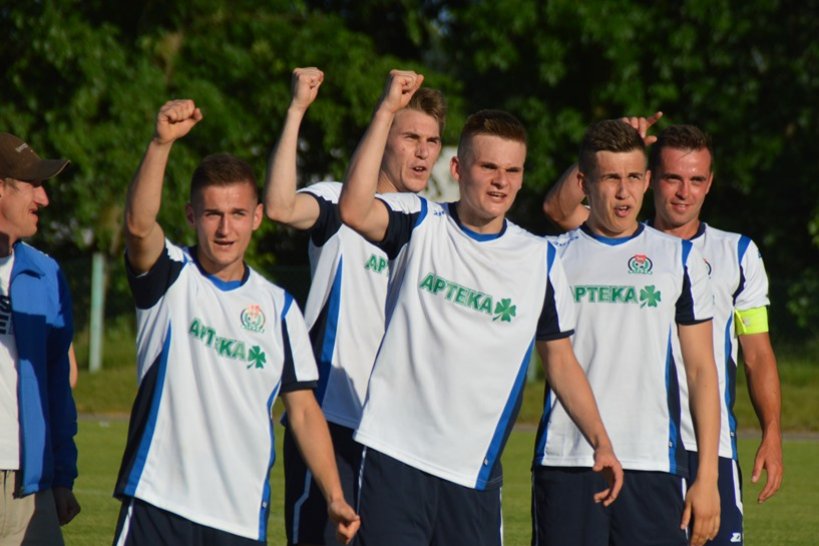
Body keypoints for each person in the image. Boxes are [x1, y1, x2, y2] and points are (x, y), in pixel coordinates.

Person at [339, 70, 623, 546]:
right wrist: (386, 110)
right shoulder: (419, 224)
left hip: (473, 472)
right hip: (394, 456)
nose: (500, 182)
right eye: (488, 167)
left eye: (512, 171)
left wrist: (602, 441)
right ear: (457, 168)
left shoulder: (540, 259)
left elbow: (559, 360)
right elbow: (352, 209)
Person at [112, 100, 359, 545]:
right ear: (192, 216)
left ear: (257, 217)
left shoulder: (279, 308)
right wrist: (160, 144)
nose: (225, 229)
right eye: (212, 214)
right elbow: (137, 226)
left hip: (239, 518)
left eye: (238, 214)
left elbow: (303, 410)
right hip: (158, 502)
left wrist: (335, 495)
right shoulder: (169, 277)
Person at [544, 119, 783, 545]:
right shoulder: (605, 236)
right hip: (629, 443)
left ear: (710, 184)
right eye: (673, 178)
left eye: (696, 180)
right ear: (654, 180)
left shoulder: (737, 253)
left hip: (704, 443)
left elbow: (755, 354)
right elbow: (560, 211)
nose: (684, 192)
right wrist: (610, 143)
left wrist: (772, 429)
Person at [263, 67, 444, 546]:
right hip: (329, 419)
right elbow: (279, 207)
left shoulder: (434, 225)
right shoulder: (336, 202)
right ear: (383, 137)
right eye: (411, 137)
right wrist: (297, 110)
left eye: (432, 141)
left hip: (399, 433)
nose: (423, 151)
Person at [0, 132, 81, 544]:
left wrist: (62, 476)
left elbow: (59, 383)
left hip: (29, 486)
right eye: (33, 184)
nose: (44, 198)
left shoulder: (45, 273)